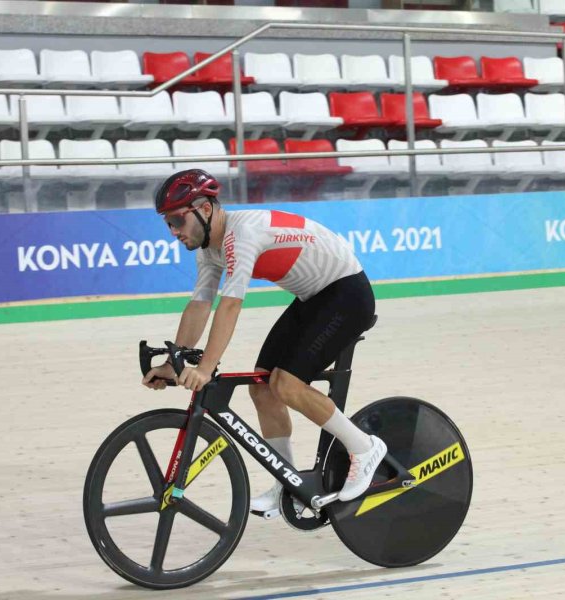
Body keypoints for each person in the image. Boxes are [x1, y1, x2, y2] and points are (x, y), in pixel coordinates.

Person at [141, 168, 386, 517]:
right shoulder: (208, 251)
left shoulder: (242, 234)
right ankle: (288, 483)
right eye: (168, 224)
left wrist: (206, 367)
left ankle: (364, 448)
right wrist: (173, 360)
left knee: (286, 385)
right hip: (314, 298)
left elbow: (229, 305)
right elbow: (200, 304)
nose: (174, 232)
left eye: (178, 220)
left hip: (347, 294)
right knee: (262, 388)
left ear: (205, 209)